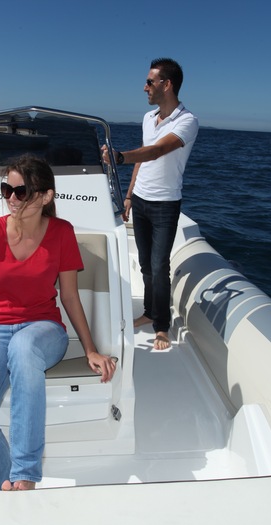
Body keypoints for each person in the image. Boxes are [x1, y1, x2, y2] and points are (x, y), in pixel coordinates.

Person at [0, 154, 117, 491]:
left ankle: (26, 473)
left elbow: (70, 297)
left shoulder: (62, 232)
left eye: (21, 192)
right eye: (7, 189)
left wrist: (91, 350)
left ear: (45, 196)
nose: (11, 198)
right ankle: (7, 482)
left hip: (43, 330)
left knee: (23, 347)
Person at [102, 58, 198, 351]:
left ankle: (162, 325)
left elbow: (157, 151)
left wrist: (119, 157)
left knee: (159, 265)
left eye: (150, 82)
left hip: (165, 204)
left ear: (166, 85)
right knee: (145, 263)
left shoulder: (187, 121)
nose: (144, 87)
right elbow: (144, 159)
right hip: (141, 200)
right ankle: (148, 312)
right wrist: (129, 196)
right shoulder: (147, 118)